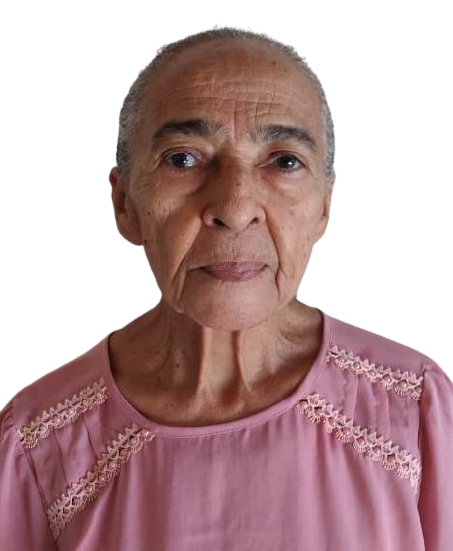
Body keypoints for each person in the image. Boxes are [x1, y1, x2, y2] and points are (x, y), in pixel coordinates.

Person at [1, 24, 451, 551]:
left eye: (285, 161)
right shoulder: (35, 444)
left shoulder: (421, 412)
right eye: (183, 159)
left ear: (325, 207)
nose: (235, 209)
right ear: (124, 205)